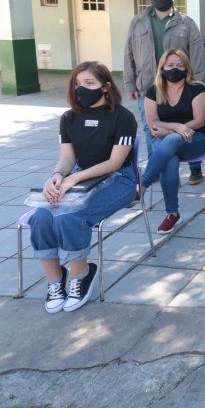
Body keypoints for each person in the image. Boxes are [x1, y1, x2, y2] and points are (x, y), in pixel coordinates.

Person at [30, 62, 137, 313]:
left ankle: (81, 275)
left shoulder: (123, 117)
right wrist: (57, 176)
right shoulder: (69, 118)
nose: (82, 90)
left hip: (120, 180)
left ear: (106, 87)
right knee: (41, 216)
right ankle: (55, 281)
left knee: (70, 216)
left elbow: (115, 162)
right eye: (78, 84)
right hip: (81, 179)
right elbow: (67, 158)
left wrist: (74, 179)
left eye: (90, 84)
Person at [124, 0, 205, 185]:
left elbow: (197, 54)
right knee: (150, 127)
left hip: (181, 86)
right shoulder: (138, 22)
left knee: (187, 121)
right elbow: (129, 53)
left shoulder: (185, 22)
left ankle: (195, 168)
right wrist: (130, 83)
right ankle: (157, 167)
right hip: (148, 86)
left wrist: (198, 86)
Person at [138, 49, 205, 234]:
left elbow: (199, 121)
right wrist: (177, 127)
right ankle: (172, 213)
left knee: (171, 140)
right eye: (170, 65)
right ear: (162, 67)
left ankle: (142, 185)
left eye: (180, 65)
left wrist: (172, 130)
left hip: (196, 139)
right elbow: (153, 124)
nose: (175, 69)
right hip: (167, 141)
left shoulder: (198, 88)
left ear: (187, 68)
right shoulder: (153, 91)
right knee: (169, 158)